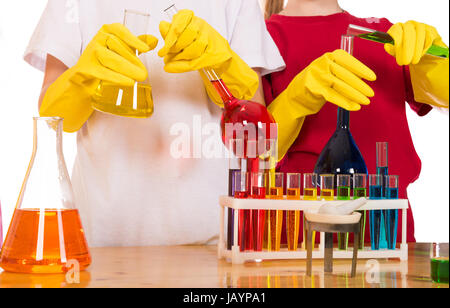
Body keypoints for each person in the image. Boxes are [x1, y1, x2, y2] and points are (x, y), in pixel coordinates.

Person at [26, 0, 285, 247]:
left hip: (211, 237)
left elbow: (254, 128)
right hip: (105, 236)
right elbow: (53, 116)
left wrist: (226, 65)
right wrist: (81, 78)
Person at [263, 0, 449, 243]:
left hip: (390, 237)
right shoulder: (263, 40)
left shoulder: (385, 37)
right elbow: (255, 151)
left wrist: (436, 62)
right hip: (305, 240)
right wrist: (295, 100)